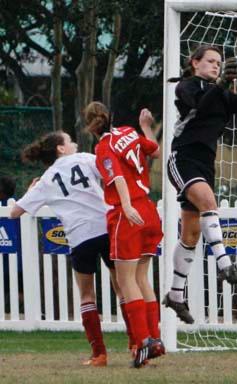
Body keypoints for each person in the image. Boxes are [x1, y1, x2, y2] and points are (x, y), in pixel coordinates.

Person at [9, 131, 130, 367]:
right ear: (60, 149)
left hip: (80, 236)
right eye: (69, 140)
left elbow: (14, 212)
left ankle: (99, 354)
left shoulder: (46, 179)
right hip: (106, 228)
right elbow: (110, 175)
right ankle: (137, 345)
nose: (74, 143)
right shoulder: (84, 158)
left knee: (86, 295)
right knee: (123, 287)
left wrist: (31, 189)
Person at [163, 45, 237, 324]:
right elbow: (200, 105)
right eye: (211, 61)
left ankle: (175, 296)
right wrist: (219, 83)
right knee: (209, 203)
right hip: (184, 159)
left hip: (205, 164)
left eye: (219, 62)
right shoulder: (187, 86)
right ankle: (224, 265)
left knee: (190, 234)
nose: (216, 65)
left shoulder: (221, 92)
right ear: (195, 63)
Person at [85, 102, 165, 368]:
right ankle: (155, 339)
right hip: (150, 209)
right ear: (111, 116)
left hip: (127, 213)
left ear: (90, 126)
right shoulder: (129, 132)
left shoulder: (103, 147)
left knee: (125, 279)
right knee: (142, 277)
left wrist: (127, 206)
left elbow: (116, 177)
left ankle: (142, 342)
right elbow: (156, 151)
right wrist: (146, 127)